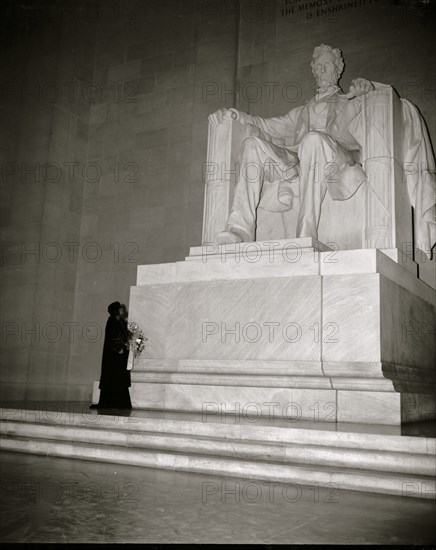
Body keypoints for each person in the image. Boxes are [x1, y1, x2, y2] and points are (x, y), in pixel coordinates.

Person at [209, 44, 374, 244]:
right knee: (252, 144)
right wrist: (237, 116)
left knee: (313, 139)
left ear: (338, 68)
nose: (321, 70)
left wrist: (369, 91)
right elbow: (268, 126)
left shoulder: (350, 101)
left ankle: (306, 232)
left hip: (337, 159)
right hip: (298, 161)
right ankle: (240, 230)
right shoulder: (301, 112)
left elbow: (371, 117)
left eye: (327, 65)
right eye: (318, 66)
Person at [90, 301, 132, 410]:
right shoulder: (112, 322)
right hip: (113, 356)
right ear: (116, 311)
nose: (123, 310)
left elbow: (123, 335)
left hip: (120, 355)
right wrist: (119, 348)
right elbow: (112, 338)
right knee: (112, 377)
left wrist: (127, 343)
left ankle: (120, 403)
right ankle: (109, 403)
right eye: (120, 309)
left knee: (119, 378)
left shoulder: (121, 322)